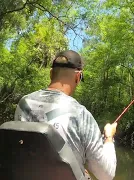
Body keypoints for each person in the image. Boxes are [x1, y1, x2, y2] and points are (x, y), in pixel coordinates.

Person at [14, 50, 117, 180]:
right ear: (77, 77)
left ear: (51, 73)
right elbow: (106, 175)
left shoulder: (23, 104)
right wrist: (108, 138)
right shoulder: (81, 114)